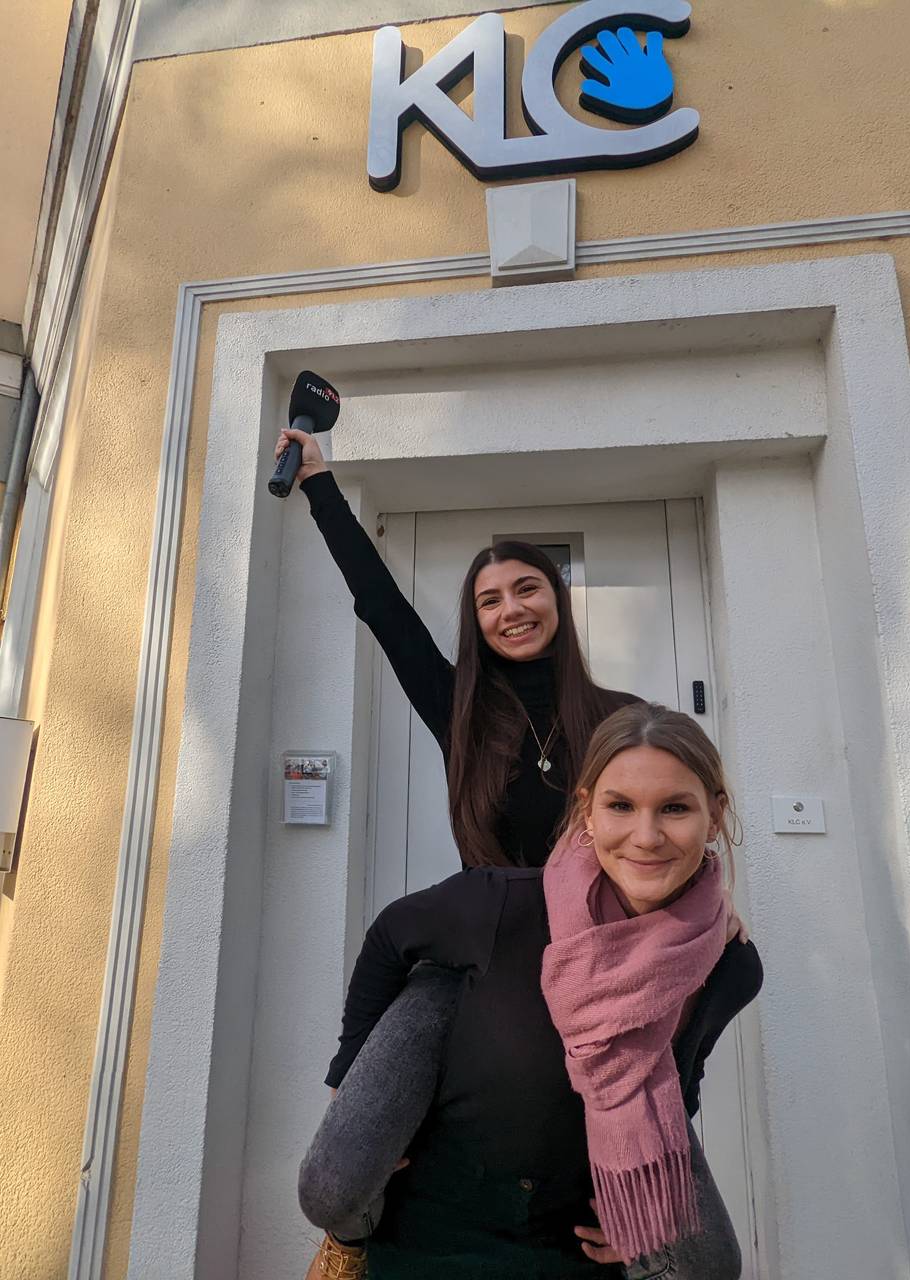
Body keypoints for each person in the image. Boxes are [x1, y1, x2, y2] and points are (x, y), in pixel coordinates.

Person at [298, 702, 762, 1279]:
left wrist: (642, 1203)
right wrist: (350, 1078)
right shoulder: (500, 903)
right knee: (330, 1188)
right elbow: (390, 937)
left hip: (579, 1164)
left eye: (675, 808)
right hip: (456, 1140)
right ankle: (349, 1240)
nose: (646, 837)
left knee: (713, 1267)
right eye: (621, 806)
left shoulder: (731, 965)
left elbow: (683, 1073)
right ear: (588, 811)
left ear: (714, 817)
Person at [275, 425, 638, 868]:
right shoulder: (458, 705)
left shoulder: (624, 718)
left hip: (602, 916)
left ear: (557, 601)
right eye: (490, 601)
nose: (512, 610)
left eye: (527, 589)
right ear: (477, 621)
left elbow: (671, 825)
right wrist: (317, 480)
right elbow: (381, 603)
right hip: (491, 913)